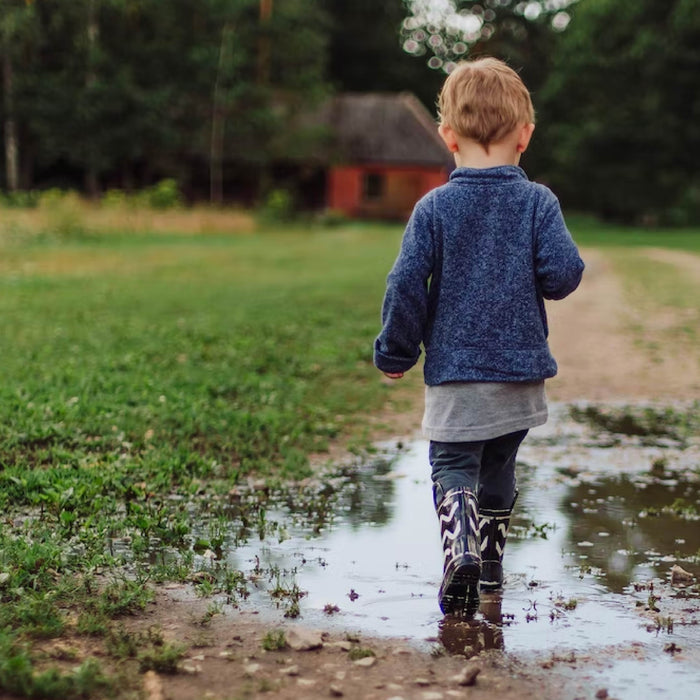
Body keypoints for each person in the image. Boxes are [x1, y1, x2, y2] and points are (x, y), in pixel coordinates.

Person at [373, 57, 584, 616]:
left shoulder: (434, 208)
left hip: (457, 375)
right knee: (499, 466)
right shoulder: (539, 202)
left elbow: (405, 284)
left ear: (446, 136)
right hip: (520, 378)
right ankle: (488, 566)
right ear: (525, 136)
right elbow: (563, 275)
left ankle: (460, 547)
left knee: (452, 465)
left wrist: (395, 349)